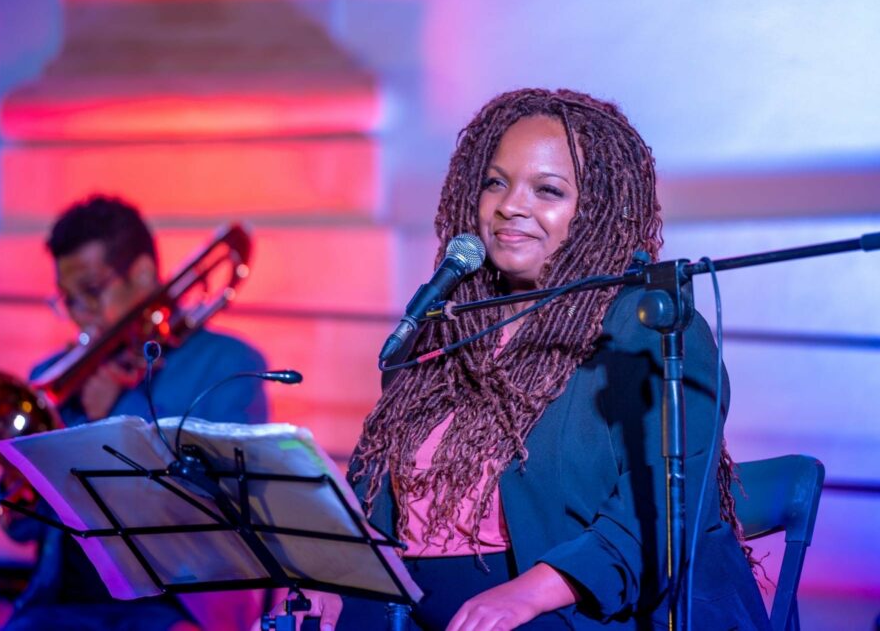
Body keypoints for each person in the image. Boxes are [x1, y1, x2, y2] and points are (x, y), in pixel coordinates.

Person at [283, 89, 770, 630]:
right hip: (413, 605)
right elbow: (375, 490)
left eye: (548, 190)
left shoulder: (647, 325)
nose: (510, 205)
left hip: (575, 606)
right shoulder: (449, 324)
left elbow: (661, 506)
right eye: (496, 183)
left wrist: (529, 595)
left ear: (600, 209)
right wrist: (335, 575)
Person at [0, 195, 268, 631]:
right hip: (62, 606)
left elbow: (223, 508)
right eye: (68, 300)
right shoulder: (52, 375)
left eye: (91, 292)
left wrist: (110, 415)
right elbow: (19, 528)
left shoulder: (230, 365)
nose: (80, 316)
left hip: (177, 605)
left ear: (142, 274)